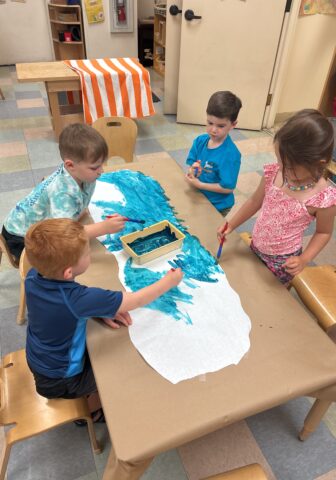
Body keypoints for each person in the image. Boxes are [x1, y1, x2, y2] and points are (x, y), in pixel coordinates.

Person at [24, 218, 183, 422]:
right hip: (62, 379)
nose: (90, 254)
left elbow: (59, 310)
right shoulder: (78, 299)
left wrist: (99, 310)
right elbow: (134, 300)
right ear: (69, 272)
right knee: (119, 374)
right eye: (87, 253)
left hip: (39, 360)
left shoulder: (32, 276)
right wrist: (169, 282)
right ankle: (87, 412)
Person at [217, 109, 336, 285]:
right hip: (256, 244)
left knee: (269, 297)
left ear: (318, 163)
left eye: (288, 166)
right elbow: (254, 201)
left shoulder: (323, 198)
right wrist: (231, 224)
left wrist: (304, 259)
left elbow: (323, 232)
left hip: (283, 261)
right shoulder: (274, 172)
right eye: (279, 160)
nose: (281, 167)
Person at [1, 123, 126, 262]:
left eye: (102, 164)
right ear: (70, 165)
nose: (101, 171)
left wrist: (80, 213)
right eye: (95, 167)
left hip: (39, 226)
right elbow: (64, 235)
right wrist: (103, 228)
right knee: (63, 263)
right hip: (20, 237)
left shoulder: (84, 175)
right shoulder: (62, 193)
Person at [185, 91, 242, 217]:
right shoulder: (200, 141)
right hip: (200, 195)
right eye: (210, 123)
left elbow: (227, 188)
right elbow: (191, 164)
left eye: (221, 126)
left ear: (233, 125)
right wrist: (192, 170)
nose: (213, 130)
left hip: (218, 204)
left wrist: (200, 184)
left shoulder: (230, 155)